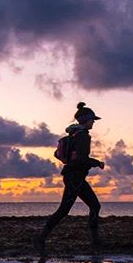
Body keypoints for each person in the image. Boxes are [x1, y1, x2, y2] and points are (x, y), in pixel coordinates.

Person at [35, 102, 106, 254]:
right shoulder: (82, 137)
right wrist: (97, 163)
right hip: (75, 178)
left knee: (94, 206)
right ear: (86, 120)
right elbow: (81, 159)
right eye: (92, 120)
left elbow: (58, 154)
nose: (93, 122)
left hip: (75, 177)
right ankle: (40, 239)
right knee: (64, 210)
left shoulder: (73, 135)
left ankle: (96, 241)